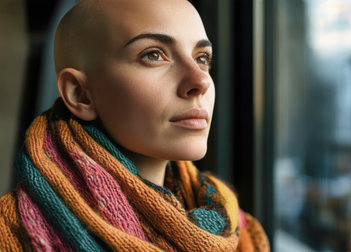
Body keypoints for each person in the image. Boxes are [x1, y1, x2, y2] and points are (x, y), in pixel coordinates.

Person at [0, 0, 269, 251]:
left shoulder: (240, 231)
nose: (200, 81)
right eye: (153, 55)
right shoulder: (10, 234)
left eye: (202, 58)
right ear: (79, 93)